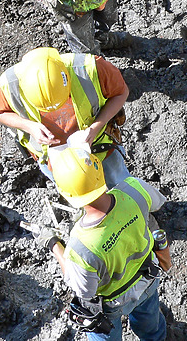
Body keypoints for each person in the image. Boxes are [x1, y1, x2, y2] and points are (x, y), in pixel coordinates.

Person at [35, 146, 171, 341]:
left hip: (111, 304)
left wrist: (54, 244)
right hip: (147, 281)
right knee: (152, 328)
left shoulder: (80, 247)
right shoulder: (134, 188)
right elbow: (157, 202)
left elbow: (83, 290)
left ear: (66, 193)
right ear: (99, 171)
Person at [0, 46, 131, 189]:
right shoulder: (10, 85)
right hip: (56, 162)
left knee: (122, 186)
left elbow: (121, 92)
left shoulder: (90, 68)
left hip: (100, 147)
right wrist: (30, 127)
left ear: (67, 77)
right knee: (79, 196)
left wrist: (95, 127)